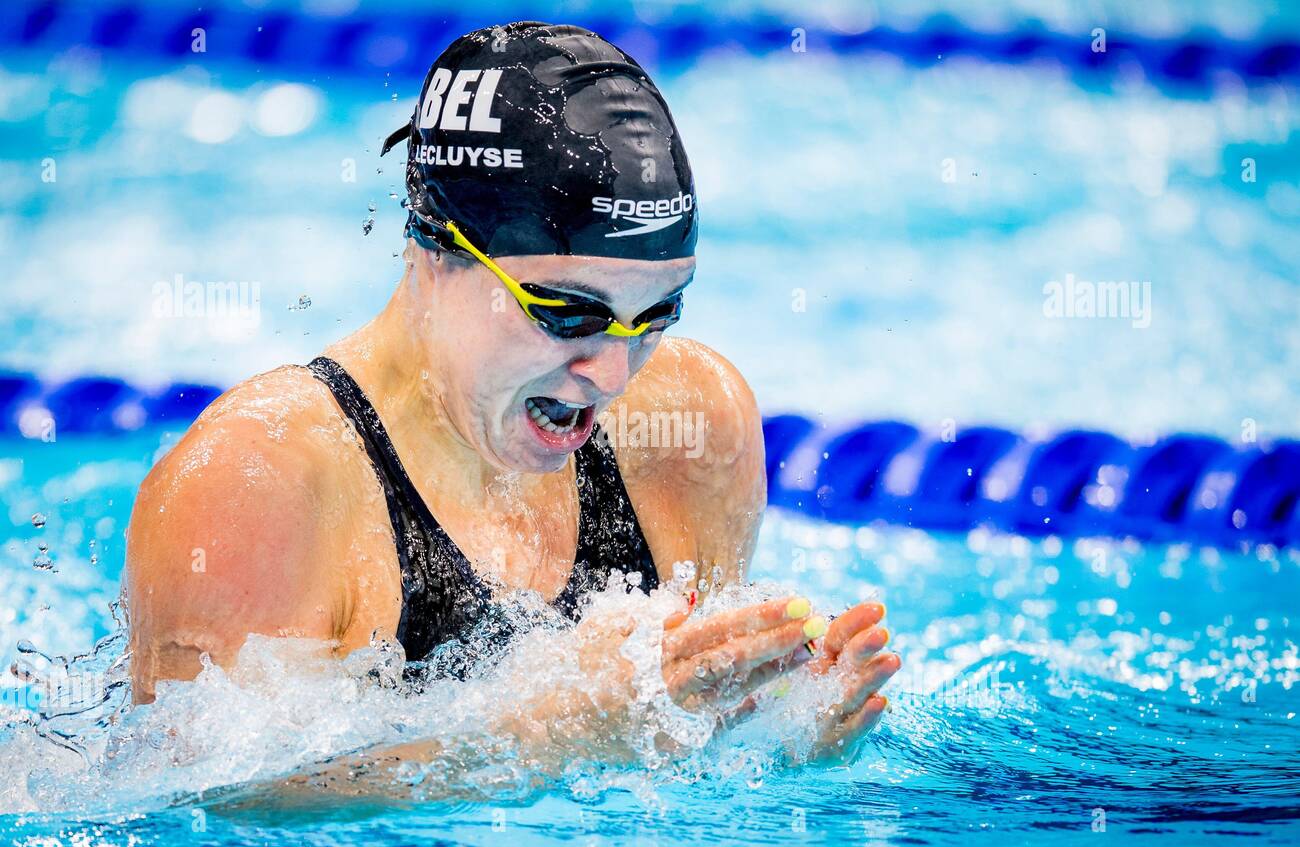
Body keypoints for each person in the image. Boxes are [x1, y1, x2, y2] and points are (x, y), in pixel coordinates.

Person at [124, 21, 899, 764]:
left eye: (656, 315)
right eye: (565, 312)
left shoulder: (691, 425)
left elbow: (677, 764)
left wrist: (782, 735)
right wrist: (555, 734)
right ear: (437, 249)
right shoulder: (258, 486)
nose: (613, 375)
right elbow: (207, 815)